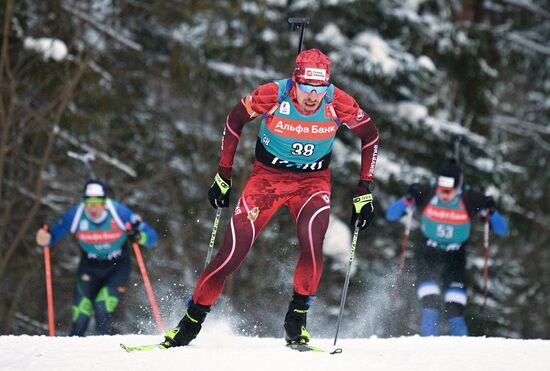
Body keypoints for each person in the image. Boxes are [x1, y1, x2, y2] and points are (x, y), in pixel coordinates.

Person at [162, 48, 380, 348]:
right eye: (306, 88)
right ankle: (190, 322)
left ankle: (297, 320)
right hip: (266, 181)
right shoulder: (273, 94)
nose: (312, 97)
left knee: (312, 244)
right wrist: (223, 176)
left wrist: (364, 190)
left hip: (312, 183)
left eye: (319, 89)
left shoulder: (337, 102)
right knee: (231, 254)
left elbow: (370, 136)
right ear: (295, 81)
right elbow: (234, 121)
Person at [386, 159, 508, 336]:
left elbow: (503, 230)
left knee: (455, 310)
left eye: (448, 191)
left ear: (458, 186)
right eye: (441, 189)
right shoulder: (426, 192)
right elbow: (391, 214)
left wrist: (492, 211)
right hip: (428, 254)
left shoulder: (469, 198)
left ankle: (461, 357)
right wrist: (407, 199)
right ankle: (429, 353)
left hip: (455, 259)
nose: (444, 195)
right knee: (430, 305)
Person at [35, 179, 158, 336]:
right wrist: (44, 238)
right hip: (90, 267)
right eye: (89, 203)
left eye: (98, 203)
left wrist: (140, 236)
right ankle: (71, 354)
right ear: (84, 202)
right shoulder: (76, 215)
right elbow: (51, 237)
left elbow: (152, 238)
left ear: (104, 202)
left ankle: (103, 353)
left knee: (102, 307)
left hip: (117, 267)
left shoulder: (119, 212)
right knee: (80, 313)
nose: (93, 208)